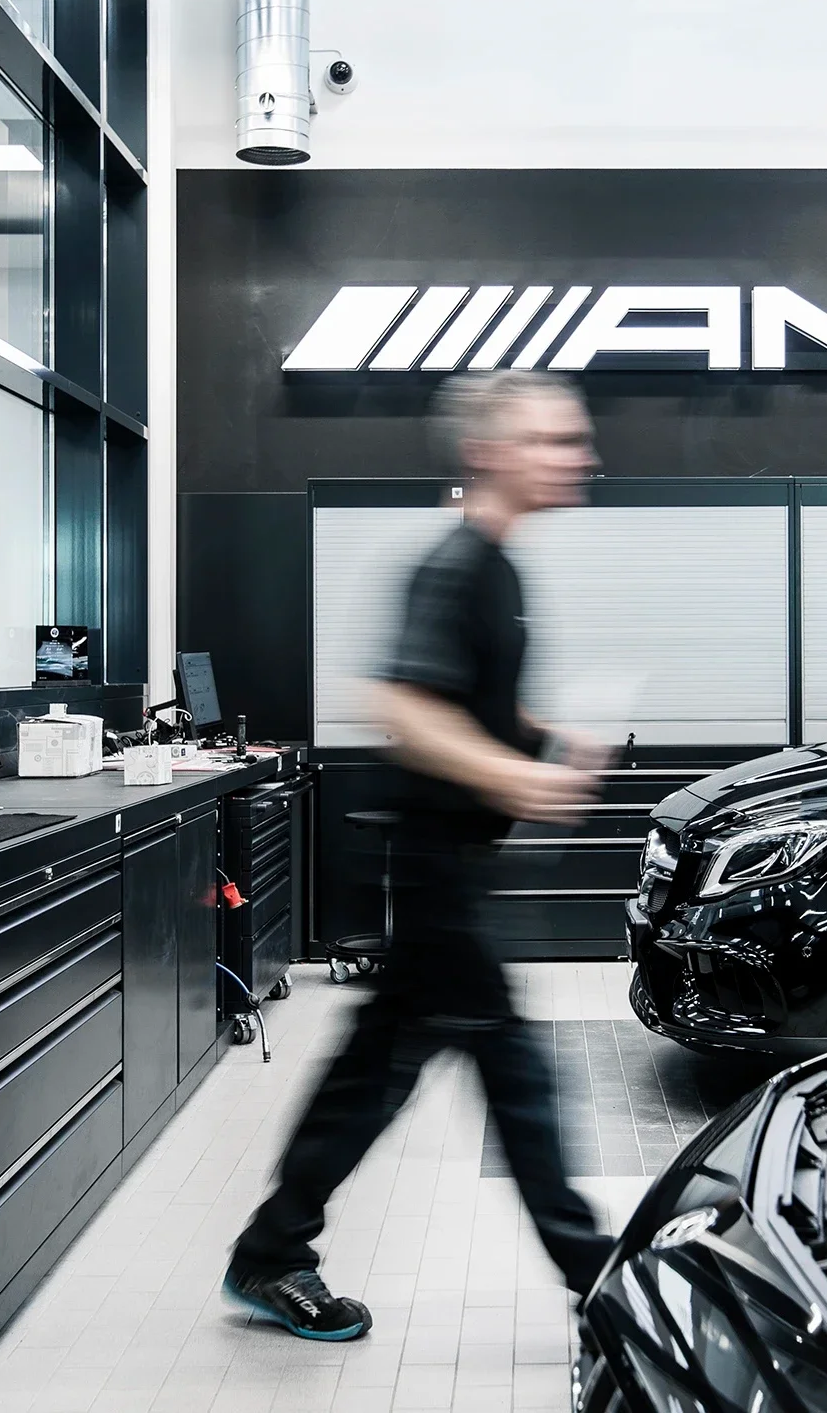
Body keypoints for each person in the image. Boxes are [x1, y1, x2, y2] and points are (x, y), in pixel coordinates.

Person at [225, 369, 615, 1340]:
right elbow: (400, 705)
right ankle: (597, 1276)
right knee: (516, 1071)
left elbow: (469, 701)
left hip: (447, 866)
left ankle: (272, 1251)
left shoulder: (496, 567)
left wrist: (544, 739)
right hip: (439, 869)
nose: (579, 457)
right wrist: (520, 779)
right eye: (552, 441)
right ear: (488, 451)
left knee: (371, 1076)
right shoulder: (455, 566)